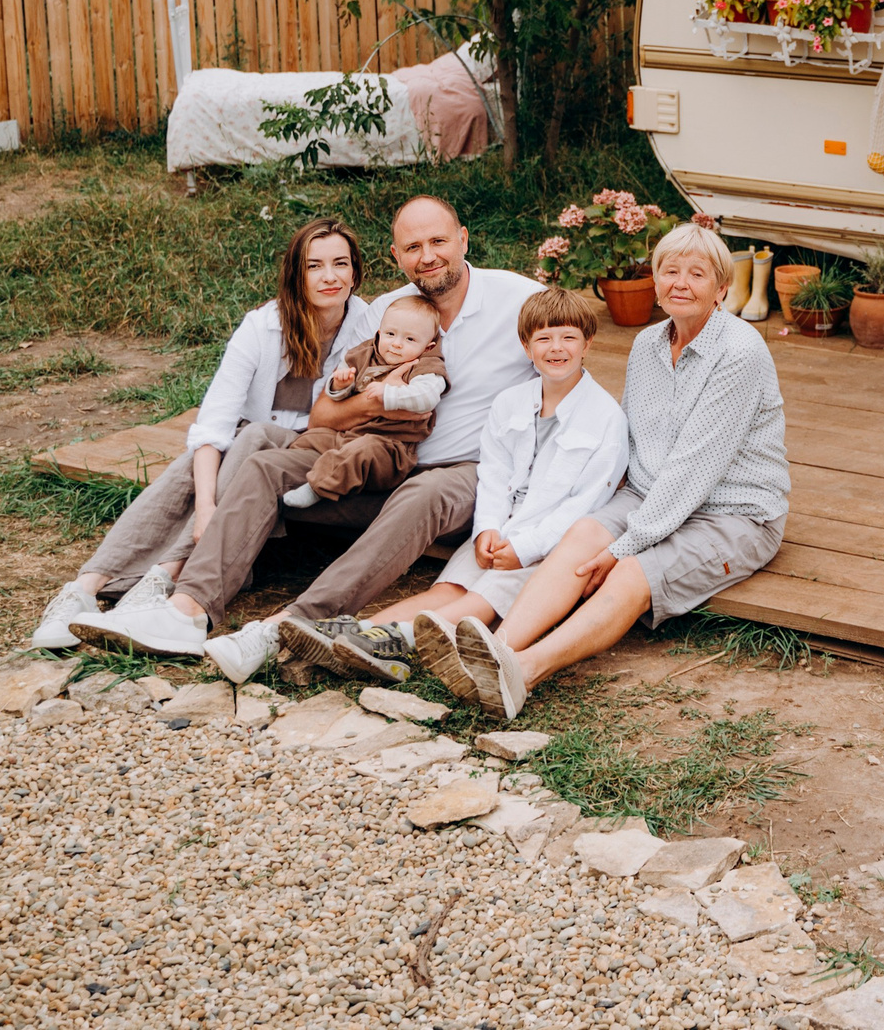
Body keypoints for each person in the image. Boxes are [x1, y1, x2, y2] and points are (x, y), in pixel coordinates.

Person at [75, 196, 541, 681]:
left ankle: (291, 622)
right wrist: (376, 402)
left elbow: (565, 378)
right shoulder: (383, 314)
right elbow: (322, 412)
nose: (427, 256)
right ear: (395, 255)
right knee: (263, 464)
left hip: (465, 475)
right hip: (375, 460)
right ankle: (187, 610)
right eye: (413, 246)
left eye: (439, 241)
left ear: (463, 239)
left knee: (423, 492)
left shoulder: (520, 300)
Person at [441, 222, 788, 718]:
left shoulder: (739, 353)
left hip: (732, 513)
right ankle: (493, 650)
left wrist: (626, 544)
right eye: (670, 271)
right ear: (656, 279)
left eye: (697, 274)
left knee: (627, 573)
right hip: (648, 494)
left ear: (722, 288)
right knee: (582, 532)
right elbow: (629, 432)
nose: (680, 283)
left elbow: (694, 472)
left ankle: (522, 671)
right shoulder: (648, 344)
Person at [28, 217, 375, 651]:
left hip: (314, 452)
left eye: (340, 264)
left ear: (356, 271)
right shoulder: (262, 326)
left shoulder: (370, 326)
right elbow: (214, 425)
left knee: (257, 435)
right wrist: (208, 507)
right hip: (251, 449)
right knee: (191, 467)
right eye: (314, 266)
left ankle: (163, 577)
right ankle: (85, 586)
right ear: (295, 275)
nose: (330, 277)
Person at [346, 287, 626, 689]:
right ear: (526, 346)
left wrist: (526, 548)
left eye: (568, 337)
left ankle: (397, 641)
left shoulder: (605, 417)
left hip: (546, 541)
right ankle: (358, 633)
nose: (556, 348)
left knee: (480, 601)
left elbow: (586, 503)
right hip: (500, 527)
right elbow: (493, 473)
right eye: (543, 338)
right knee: (448, 588)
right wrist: (487, 529)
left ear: (588, 343)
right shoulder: (510, 402)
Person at [276, 293, 449, 507]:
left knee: (361, 450)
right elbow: (338, 390)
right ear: (379, 333)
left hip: (388, 449)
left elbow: (427, 397)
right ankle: (287, 461)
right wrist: (339, 385)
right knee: (313, 437)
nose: (396, 344)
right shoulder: (365, 353)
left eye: (410, 339)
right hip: (350, 435)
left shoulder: (425, 367)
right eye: (390, 334)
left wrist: (389, 394)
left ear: (428, 346)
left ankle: (318, 487)